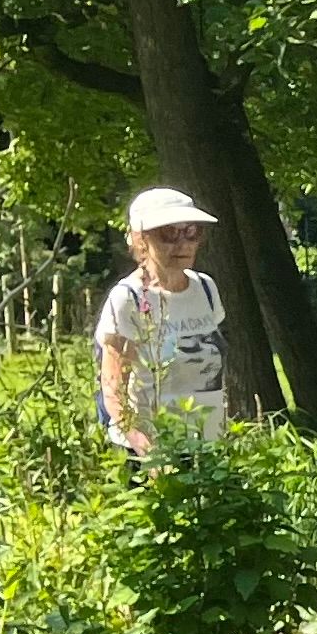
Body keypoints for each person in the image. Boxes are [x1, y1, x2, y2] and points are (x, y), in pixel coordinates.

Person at [95, 186, 229, 453]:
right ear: (140, 240)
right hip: (153, 450)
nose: (183, 243)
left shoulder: (205, 289)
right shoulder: (128, 298)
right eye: (169, 233)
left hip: (207, 447)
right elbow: (113, 389)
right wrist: (147, 450)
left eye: (192, 231)